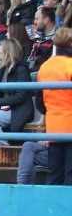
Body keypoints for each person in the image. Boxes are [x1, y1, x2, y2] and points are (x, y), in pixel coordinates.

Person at [36, 27, 72, 185]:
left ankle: (52, 208)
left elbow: (40, 103)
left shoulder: (45, 67)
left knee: (54, 174)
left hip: (54, 128)